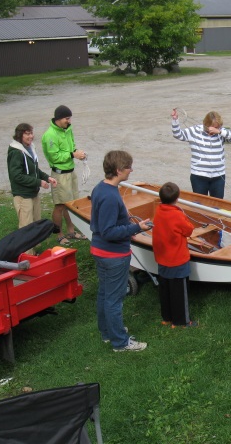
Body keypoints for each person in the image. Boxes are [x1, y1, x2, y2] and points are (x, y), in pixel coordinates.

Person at [90, 150, 151, 352]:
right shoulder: (109, 196)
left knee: (105, 294)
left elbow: (103, 225)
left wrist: (126, 230)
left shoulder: (101, 188)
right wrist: (136, 228)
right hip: (113, 255)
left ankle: (108, 332)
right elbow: (108, 231)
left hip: (101, 251)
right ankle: (120, 342)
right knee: (114, 300)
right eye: (128, 167)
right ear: (118, 170)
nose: (131, 170)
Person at [41, 105, 87, 245]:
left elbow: (71, 145)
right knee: (60, 205)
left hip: (70, 171)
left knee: (71, 204)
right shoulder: (50, 135)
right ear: (59, 118)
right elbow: (54, 157)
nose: (69, 121)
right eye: (67, 118)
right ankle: (59, 234)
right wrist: (73, 154)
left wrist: (77, 153)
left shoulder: (67, 129)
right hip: (60, 175)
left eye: (70, 118)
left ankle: (71, 231)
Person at [152, 182, 195, 328]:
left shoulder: (158, 211)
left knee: (165, 290)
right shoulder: (177, 214)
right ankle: (182, 321)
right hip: (177, 260)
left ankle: (167, 318)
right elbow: (189, 230)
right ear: (177, 198)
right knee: (179, 293)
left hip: (162, 258)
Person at [170, 108, 231, 199]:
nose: (214, 129)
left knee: (217, 204)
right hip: (199, 176)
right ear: (206, 124)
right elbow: (178, 134)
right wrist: (175, 120)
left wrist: (220, 132)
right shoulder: (194, 131)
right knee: (200, 204)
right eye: (213, 127)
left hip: (218, 176)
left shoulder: (221, 133)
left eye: (217, 127)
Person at [7, 123, 57, 234]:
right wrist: (39, 182)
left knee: (36, 223)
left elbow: (34, 170)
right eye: (27, 134)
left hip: (33, 193)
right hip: (23, 196)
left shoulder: (30, 148)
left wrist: (47, 178)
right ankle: (27, 251)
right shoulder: (16, 152)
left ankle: (35, 250)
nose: (31, 136)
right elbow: (16, 176)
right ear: (20, 135)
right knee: (26, 227)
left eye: (31, 133)